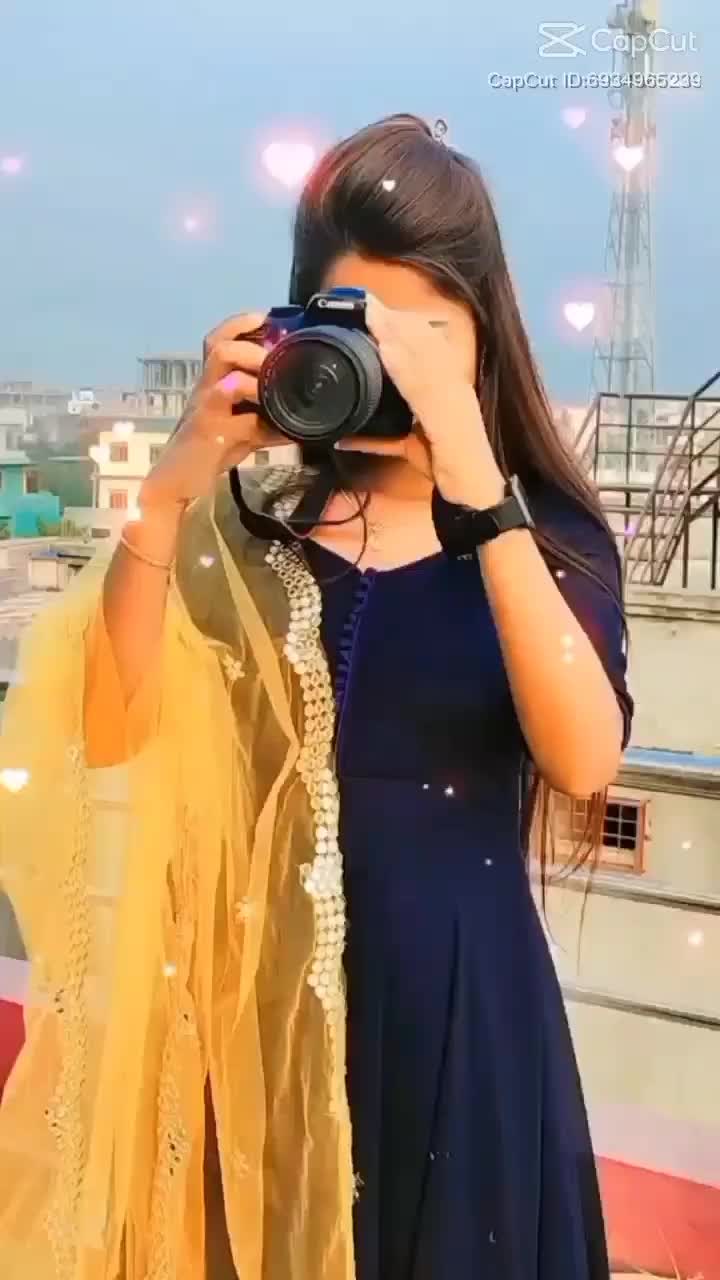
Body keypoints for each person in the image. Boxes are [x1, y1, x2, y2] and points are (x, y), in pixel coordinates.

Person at [0, 114, 632, 1280]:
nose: (392, 367)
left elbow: (586, 757)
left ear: (486, 339)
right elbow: (106, 725)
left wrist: (476, 479)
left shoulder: (546, 540)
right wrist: (179, 478)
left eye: (425, 335)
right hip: (258, 1033)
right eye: (362, 329)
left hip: (462, 1018)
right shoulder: (244, 541)